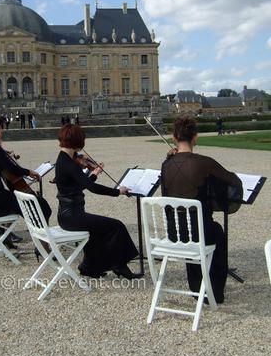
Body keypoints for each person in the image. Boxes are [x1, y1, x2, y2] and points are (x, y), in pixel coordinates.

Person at [161, 116, 242, 303]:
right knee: (216, 232)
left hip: (175, 233)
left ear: (174, 137)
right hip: (199, 232)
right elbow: (233, 181)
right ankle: (214, 292)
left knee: (193, 229)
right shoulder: (204, 162)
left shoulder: (166, 164)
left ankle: (196, 287)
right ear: (195, 137)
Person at [55, 124, 141, 279]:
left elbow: (79, 186)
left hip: (67, 215)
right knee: (116, 226)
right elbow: (92, 188)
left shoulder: (64, 159)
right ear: (78, 142)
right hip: (72, 216)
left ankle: (89, 267)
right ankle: (119, 265)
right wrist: (117, 192)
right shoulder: (69, 164)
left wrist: (93, 174)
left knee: (97, 231)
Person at [0, 115, 51, 225]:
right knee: (40, 204)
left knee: (30, 203)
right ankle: (41, 233)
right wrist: (29, 172)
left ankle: (35, 230)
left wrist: (0, 149)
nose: (1, 130)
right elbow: (10, 168)